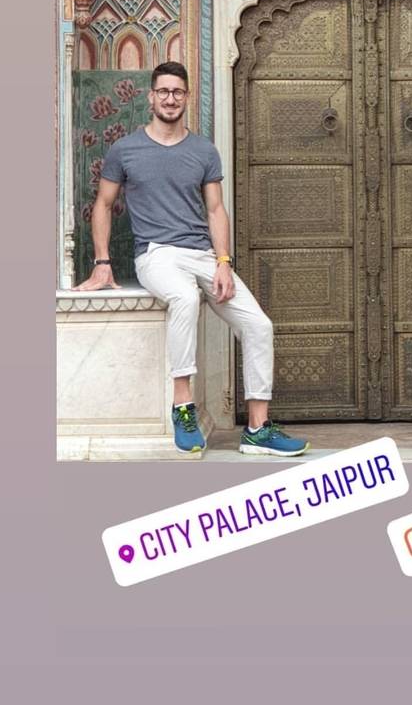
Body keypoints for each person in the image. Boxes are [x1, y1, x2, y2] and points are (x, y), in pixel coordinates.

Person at [76, 62, 308, 459]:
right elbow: (104, 203)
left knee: (259, 326)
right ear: (151, 97)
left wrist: (223, 262)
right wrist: (102, 263)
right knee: (183, 298)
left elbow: (216, 210)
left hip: (202, 255)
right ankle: (182, 407)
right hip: (156, 254)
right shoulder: (125, 149)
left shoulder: (202, 150)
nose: (170, 98)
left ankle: (256, 429)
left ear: (187, 97)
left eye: (177, 92)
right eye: (163, 91)